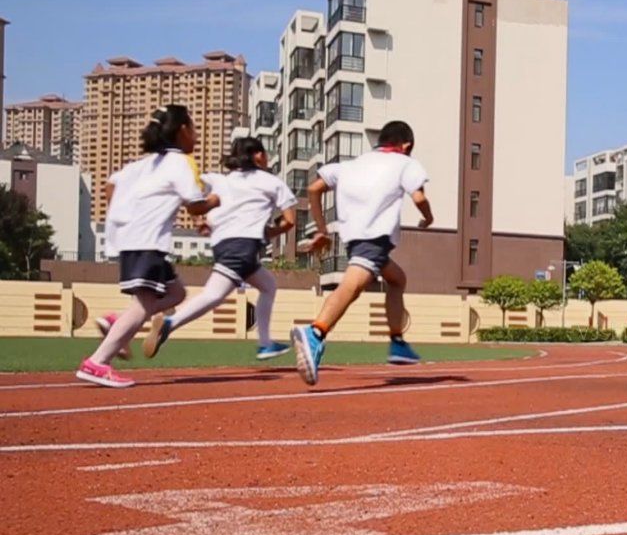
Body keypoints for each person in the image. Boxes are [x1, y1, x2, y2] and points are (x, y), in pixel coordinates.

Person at [78, 105, 221, 388]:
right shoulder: (181, 162)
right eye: (193, 128)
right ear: (182, 131)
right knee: (143, 306)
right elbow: (194, 206)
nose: (196, 136)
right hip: (147, 241)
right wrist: (218, 200)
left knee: (177, 292)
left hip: (132, 239)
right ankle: (97, 362)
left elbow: (110, 187)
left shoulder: (141, 165)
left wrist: (128, 215)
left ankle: (117, 322)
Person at [290, 120, 434, 386]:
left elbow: (314, 188)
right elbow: (419, 198)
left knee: (397, 279)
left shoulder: (351, 164)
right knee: (352, 286)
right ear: (406, 146)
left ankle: (397, 343)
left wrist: (322, 230)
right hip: (375, 236)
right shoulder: (405, 163)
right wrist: (428, 218)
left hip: (354, 237)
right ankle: (316, 332)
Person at [141, 137, 296, 361]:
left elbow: (198, 195)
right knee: (213, 295)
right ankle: (169, 323)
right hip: (243, 245)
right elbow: (290, 221)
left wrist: (208, 222)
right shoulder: (272, 182)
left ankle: (265, 343)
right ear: (258, 156)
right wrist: (269, 232)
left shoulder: (222, 180)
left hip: (222, 243)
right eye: (265, 152)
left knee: (268, 285)